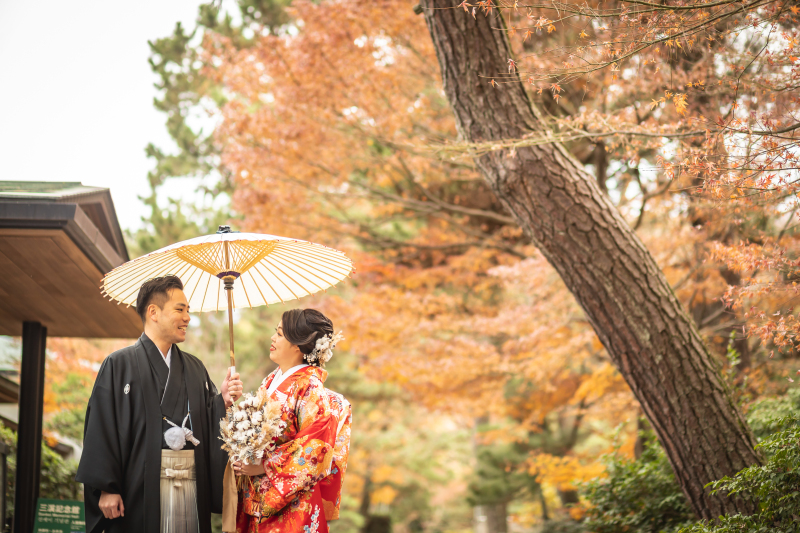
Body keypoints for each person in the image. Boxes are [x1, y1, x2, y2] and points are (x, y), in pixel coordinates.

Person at [76, 275, 245, 533]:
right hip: (139, 488)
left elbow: (208, 421)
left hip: (190, 484)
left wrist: (221, 400)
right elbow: (102, 425)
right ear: (153, 312)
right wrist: (107, 487)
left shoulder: (194, 367)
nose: (187, 317)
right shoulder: (119, 364)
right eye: (180, 309)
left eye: (188, 310)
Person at [227, 308, 352, 533]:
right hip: (258, 498)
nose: (273, 338)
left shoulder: (310, 387)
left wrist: (263, 465)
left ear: (297, 344)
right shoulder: (271, 379)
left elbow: (315, 449)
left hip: (292, 505)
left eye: (280, 334)